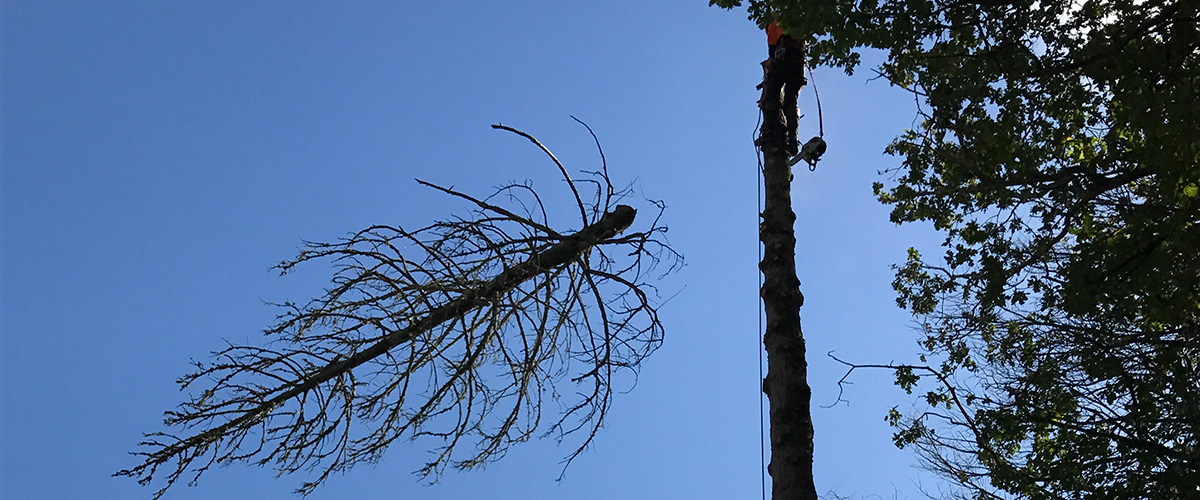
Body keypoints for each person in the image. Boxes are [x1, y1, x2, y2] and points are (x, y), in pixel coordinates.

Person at [759, 20, 807, 157]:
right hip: (798, 58)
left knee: (772, 94)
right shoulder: (797, 17)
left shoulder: (772, 24)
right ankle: (792, 137)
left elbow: (772, 52)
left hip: (783, 53)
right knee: (791, 99)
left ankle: (769, 131)